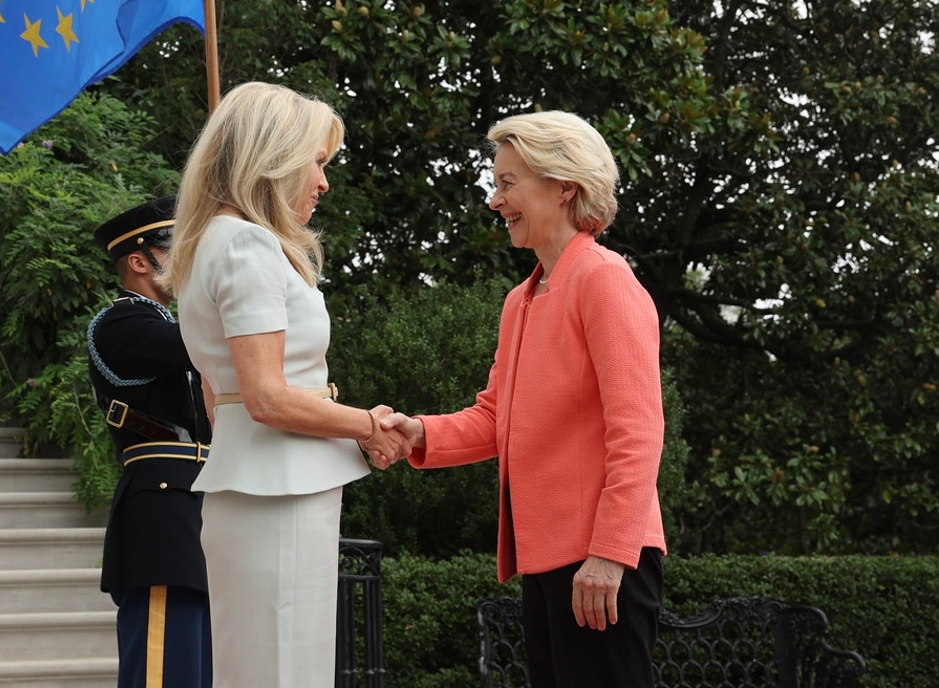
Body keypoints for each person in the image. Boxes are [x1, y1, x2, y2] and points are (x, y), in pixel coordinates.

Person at [383, 110, 667, 688]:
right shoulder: (522, 298)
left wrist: (610, 552)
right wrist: (422, 432)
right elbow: (496, 417)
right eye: (497, 183)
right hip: (549, 562)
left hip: (600, 558)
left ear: (565, 186)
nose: (495, 199)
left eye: (508, 182)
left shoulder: (604, 279)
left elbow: (638, 431)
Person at [161, 81, 410, 688]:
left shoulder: (209, 244)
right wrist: (368, 425)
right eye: (317, 162)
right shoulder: (245, 243)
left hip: (263, 486)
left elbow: (221, 400)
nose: (323, 182)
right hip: (279, 493)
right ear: (270, 157)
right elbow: (267, 397)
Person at [88, 197, 213, 688]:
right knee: (165, 668)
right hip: (163, 511)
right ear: (139, 261)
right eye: (176, 248)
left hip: (193, 504)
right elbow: (203, 343)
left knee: (197, 664)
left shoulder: (166, 323)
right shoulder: (120, 324)